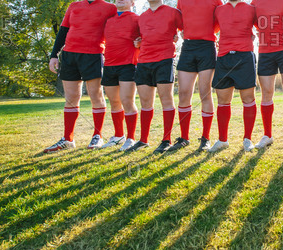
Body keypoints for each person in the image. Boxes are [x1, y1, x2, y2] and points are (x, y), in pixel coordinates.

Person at [45, 0, 117, 153]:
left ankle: (97, 135)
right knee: (71, 97)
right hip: (70, 56)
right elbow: (63, 31)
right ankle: (68, 139)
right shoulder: (74, 6)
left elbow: (116, 31)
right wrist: (54, 55)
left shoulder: (110, 8)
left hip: (94, 55)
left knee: (96, 95)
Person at [126, 0, 183, 153]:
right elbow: (138, 38)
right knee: (145, 102)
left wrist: (178, 38)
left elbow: (187, 29)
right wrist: (138, 42)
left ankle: (166, 140)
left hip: (165, 59)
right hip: (144, 61)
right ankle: (143, 140)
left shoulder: (173, 12)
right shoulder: (142, 17)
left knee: (166, 100)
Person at [207, 0, 258, 153]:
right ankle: (222, 140)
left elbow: (264, 27)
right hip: (223, 57)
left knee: (248, 98)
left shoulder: (251, 9)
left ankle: (247, 139)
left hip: (245, 56)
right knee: (222, 100)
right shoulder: (219, 10)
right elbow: (209, 29)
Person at [251, 0, 283, 148]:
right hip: (265, 51)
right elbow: (257, 22)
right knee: (266, 93)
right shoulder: (255, 2)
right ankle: (267, 135)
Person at [173, 0, 223, 152]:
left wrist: (207, 31)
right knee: (183, 93)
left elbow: (220, 22)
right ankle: (184, 138)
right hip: (188, 47)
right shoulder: (181, 1)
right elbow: (181, 23)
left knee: (204, 93)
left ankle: (205, 138)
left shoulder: (216, 1)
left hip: (207, 47)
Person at [100, 0, 141, 151]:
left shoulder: (137, 19)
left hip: (128, 64)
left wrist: (140, 43)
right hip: (109, 65)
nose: (120, 0)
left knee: (127, 101)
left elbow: (146, 38)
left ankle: (131, 138)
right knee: (114, 102)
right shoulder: (108, 21)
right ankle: (118, 136)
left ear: (132, 2)